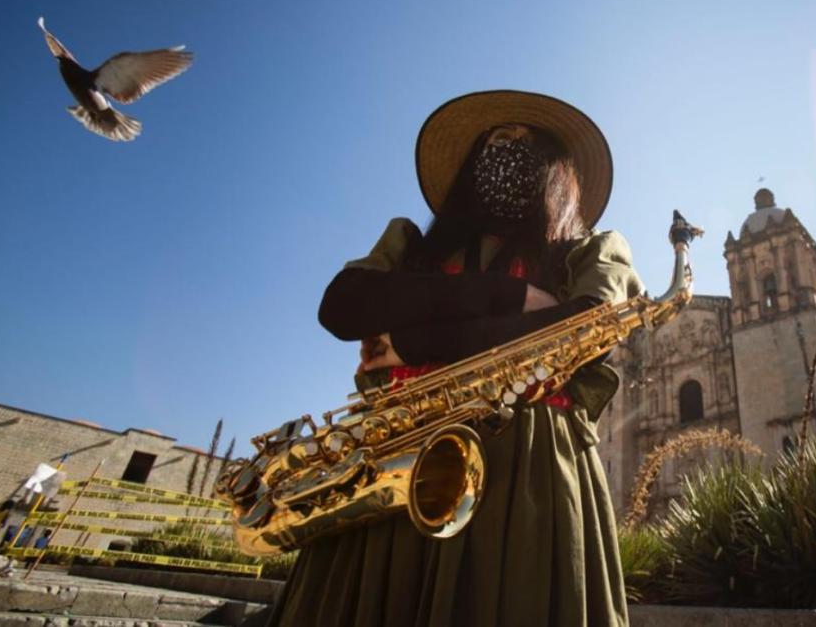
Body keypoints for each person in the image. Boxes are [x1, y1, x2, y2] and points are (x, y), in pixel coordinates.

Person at [268, 91, 642, 627]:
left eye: (522, 143)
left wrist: (411, 342)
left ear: (557, 170)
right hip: (391, 458)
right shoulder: (410, 243)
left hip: (524, 468)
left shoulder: (591, 250)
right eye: (493, 142)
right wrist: (509, 299)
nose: (505, 150)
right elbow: (342, 307)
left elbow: (580, 330)